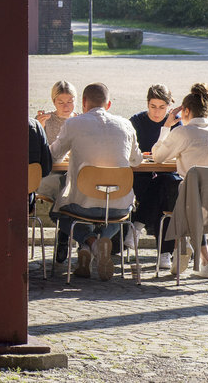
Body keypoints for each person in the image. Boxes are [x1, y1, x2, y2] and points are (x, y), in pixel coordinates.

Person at [50, 82, 142, 281]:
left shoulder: (73, 124)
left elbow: (54, 155)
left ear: (83, 103)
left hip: (83, 203)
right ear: (108, 104)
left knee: (59, 214)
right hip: (118, 205)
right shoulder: (126, 124)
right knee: (121, 215)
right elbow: (137, 160)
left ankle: (90, 244)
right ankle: (102, 241)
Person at [150, 83, 208, 279]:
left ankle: (199, 258)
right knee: (191, 198)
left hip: (192, 200)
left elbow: (158, 156)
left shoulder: (184, 133)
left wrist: (166, 127)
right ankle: (192, 254)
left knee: (179, 192)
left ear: (186, 111)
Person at [129, 84, 181, 269]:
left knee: (164, 187)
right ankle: (165, 254)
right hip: (141, 177)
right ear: (147, 104)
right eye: (153, 106)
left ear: (168, 106)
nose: (157, 112)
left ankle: (137, 225)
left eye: (162, 107)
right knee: (164, 193)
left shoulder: (175, 123)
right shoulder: (136, 121)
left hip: (165, 176)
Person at [35, 79, 77, 258]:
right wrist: (40, 127)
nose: (66, 106)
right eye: (61, 102)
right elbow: (39, 154)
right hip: (51, 172)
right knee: (64, 185)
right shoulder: (47, 120)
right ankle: (69, 236)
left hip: (74, 173)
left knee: (69, 184)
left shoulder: (81, 120)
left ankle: (64, 235)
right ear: (54, 102)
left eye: (70, 101)